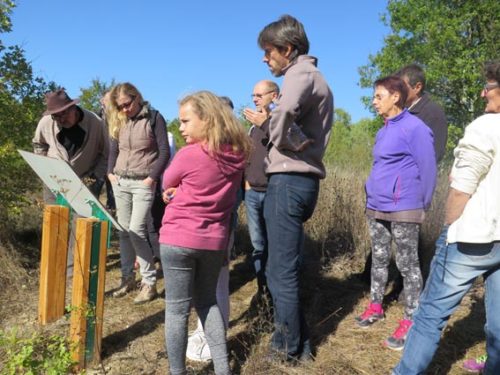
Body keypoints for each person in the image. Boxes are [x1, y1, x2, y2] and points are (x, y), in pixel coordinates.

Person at [392, 60, 500, 375]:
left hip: (474, 237)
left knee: (429, 314)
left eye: (489, 86)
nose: (483, 93)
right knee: (498, 320)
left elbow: (461, 188)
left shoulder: (486, 126)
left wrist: (449, 227)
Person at [256, 15, 334, 362]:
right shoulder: (311, 75)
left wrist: (275, 131)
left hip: (288, 181)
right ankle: (300, 348)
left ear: (287, 49)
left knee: (279, 269)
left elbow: (285, 109)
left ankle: (283, 348)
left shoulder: (299, 74)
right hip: (299, 182)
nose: (265, 58)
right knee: (284, 267)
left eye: (269, 51)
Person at [159, 91, 251, 375]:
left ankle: (178, 372)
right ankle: (223, 369)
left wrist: (175, 191)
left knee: (176, 311)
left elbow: (166, 181)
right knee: (208, 302)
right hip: (213, 241)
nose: (181, 128)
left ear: (208, 120)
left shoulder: (188, 154)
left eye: (186, 121)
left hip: (177, 239)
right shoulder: (238, 155)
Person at [356, 76, 436, 351]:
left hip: (405, 207)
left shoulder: (416, 128)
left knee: (407, 264)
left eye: (379, 96)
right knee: (378, 259)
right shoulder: (383, 130)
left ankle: (412, 319)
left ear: (396, 97)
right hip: (377, 205)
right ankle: (376, 306)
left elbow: (428, 168)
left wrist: (422, 205)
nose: (374, 101)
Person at [186, 95, 240, 363]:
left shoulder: (233, 150)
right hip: (194, 229)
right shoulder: (199, 146)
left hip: (219, 228)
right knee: (202, 284)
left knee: (218, 281)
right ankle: (202, 329)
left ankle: (216, 337)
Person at [107, 82, 169, 304]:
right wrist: (110, 173)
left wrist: (151, 178)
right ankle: (127, 279)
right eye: (120, 106)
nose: (125, 109)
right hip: (120, 180)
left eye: (127, 104)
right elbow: (113, 149)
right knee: (123, 231)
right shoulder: (119, 120)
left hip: (143, 182)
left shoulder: (154, 117)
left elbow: (164, 151)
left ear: (137, 97)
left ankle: (149, 282)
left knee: (137, 230)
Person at [33, 88, 109, 202]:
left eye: (64, 113)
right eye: (56, 116)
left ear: (73, 108)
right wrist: (46, 169)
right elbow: (39, 144)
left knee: (83, 219)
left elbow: (106, 153)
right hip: (54, 180)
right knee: (54, 217)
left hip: (85, 182)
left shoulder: (95, 123)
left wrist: (95, 178)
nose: (61, 119)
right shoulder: (46, 122)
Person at [242, 80, 279, 297]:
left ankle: (277, 290)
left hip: (273, 192)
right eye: (253, 95)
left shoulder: (281, 123)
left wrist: (268, 122)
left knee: (275, 245)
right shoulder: (253, 127)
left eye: (259, 95)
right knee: (258, 244)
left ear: (274, 96)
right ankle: (262, 289)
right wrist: (247, 184)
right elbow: (248, 157)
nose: (255, 99)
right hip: (252, 192)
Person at [397, 63, 448, 163]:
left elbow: (434, 153)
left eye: (402, 86)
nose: (398, 91)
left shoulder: (432, 113)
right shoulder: (404, 114)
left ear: (417, 87)